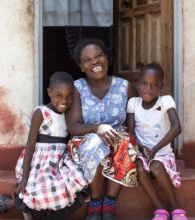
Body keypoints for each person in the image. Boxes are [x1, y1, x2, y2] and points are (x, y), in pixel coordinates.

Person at [0, 72, 87, 220]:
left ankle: (25, 210)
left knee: (70, 187)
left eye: (69, 96)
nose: (64, 100)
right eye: (58, 95)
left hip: (58, 162)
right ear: (49, 92)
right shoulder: (42, 113)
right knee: (40, 189)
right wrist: (24, 178)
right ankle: (5, 204)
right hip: (39, 162)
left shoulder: (68, 116)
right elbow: (31, 145)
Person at [66, 38, 136, 220]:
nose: (95, 62)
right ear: (81, 66)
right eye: (87, 60)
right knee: (97, 142)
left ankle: (110, 204)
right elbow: (73, 127)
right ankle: (95, 203)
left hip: (118, 141)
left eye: (99, 56)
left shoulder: (125, 87)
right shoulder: (77, 88)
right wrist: (98, 128)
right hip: (85, 141)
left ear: (107, 58)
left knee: (125, 141)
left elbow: (133, 122)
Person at [127, 63, 188, 220]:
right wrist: (141, 147)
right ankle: (160, 209)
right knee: (139, 168)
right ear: (137, 83)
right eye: (144, 83)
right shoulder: (133, 103)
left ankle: (176, 208)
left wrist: (154, 149)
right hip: (141, 152)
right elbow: (131, 132)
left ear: (161, 86)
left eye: (155, 85)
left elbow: (176, 128)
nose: (149, 88)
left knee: (156, 166)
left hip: (162, 153)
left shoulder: (166, 101)